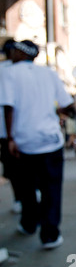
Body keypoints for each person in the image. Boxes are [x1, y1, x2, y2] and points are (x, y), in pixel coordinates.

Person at [0, 40, 74, 249]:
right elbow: (68, 105)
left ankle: (29, 224)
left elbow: (8, 107)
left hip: (23, 142)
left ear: (22, 53)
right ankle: (50, 235)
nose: (11, 53)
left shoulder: (9, 73)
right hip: (50, 140)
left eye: (14, 50)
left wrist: (11, 138)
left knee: (26, 187)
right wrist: (55, 115)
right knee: (51, 189)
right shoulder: (49, 73)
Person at [0, 39, 22, 214]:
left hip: (9, 131)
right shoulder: (8, 70)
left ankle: (20, 198)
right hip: (15, 130)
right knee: (18, 167)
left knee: (14, 168)